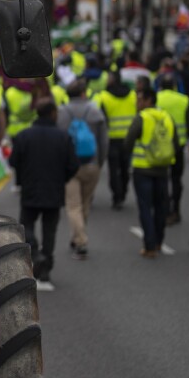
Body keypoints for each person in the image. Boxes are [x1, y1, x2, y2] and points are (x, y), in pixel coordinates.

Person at [9, 98, 80, 283]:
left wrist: (24, 175)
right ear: (53, 113)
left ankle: (36, 253)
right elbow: (73, 165)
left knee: (26, 226)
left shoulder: (24, 135)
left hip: (30, 188)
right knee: (50, 231)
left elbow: (13, 161)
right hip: (54, 189)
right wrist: (61, 178)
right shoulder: (63, 137)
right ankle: (46, 265)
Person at [126, 86, 181, 258]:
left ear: (149, 100)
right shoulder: (167, 117)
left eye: (139, 99)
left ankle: (149, 246)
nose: (137, 103)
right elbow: (176, 143)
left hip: (143, 170)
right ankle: (158, 241)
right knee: (161, 207)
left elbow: (128, 143)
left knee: (145, 208)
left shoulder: (141, 118)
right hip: (162, 169)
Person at [56, 78, 108, 260]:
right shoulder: (95, 111)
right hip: (92, 164)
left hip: (70, 166)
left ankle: (80, 241)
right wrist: (100, 162)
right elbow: (103, 141)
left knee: (73, 206)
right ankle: (78, 237)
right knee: (85, 204)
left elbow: (59, 140)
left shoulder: (61, 113)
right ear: (84, 93)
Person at [155, 74, 189, 225]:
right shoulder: (183, 100)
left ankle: (163, 209)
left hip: (160, 145)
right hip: (178, 146)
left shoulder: (156, 98)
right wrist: (184, 138)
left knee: (162, 178)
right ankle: (175, 210)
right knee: (176, 179)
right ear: (174, 86)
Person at [97, 73, 137, 210]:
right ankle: (124, 190)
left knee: (114, 169)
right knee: (125, 168)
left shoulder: (104, 97)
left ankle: (117, 196)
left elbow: (102, 120)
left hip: (112, 138)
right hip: (128, 138)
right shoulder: (133, 95)